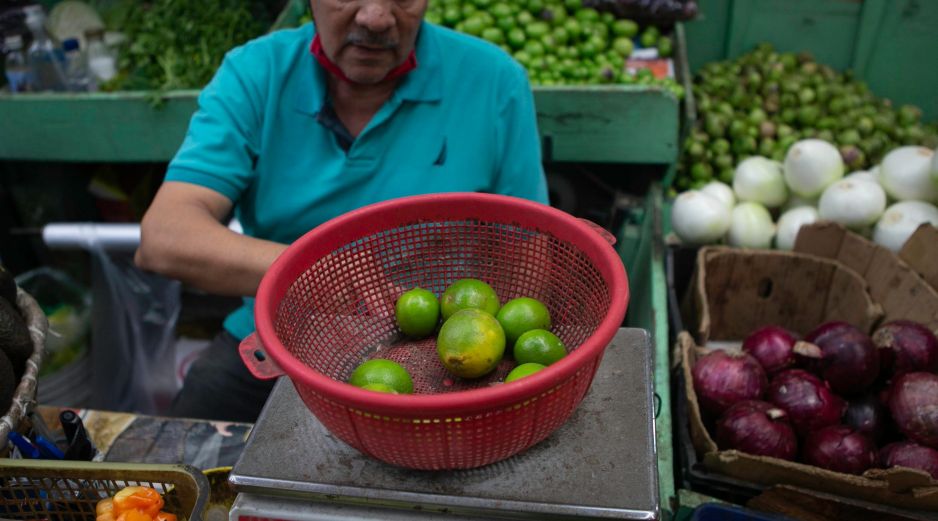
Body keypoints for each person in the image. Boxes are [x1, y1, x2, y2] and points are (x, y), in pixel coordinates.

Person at [135, 0, 549, 422]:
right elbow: (165, 237)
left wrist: (497, 365)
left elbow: (529, 250)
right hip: (283, 339)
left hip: (446, 349)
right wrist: (308, 269)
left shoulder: (493, 81)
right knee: (190, 439)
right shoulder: (256, 72)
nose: (375, 17)